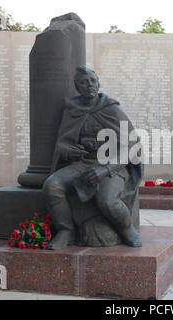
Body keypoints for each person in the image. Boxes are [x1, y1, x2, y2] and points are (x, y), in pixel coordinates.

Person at [43, 66, 143, 250]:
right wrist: (70, 151)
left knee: (107, 200)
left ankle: (127, 229)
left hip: (113, 167)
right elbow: (62, 143)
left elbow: (131, 147)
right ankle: (66, 230)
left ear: (98, 83)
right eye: (83, 82)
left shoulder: (112, 110)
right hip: (83, 163)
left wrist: (105, 170)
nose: (89, 85)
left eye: (92, 81)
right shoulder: (72, 110)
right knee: (52, 185)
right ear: (77, 86)